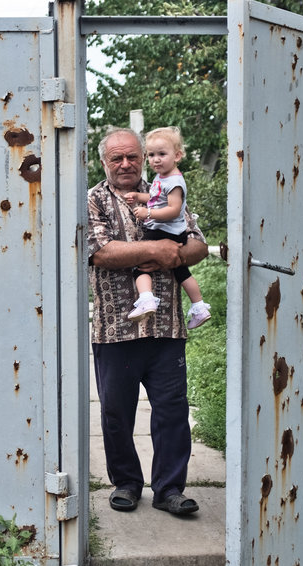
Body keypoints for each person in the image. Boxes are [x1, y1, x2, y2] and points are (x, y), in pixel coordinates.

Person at [87, 127, 208, 515]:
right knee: (116, 413)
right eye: (116, 158)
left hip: (166, 328)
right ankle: (126, 482)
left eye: (132, 157)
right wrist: (158, 248)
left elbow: (198, 244)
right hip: (115, 327)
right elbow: (102, 251)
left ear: (143, 157)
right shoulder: (93, 199)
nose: (125, 164)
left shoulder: (166, 188)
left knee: (172, 412)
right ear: (103, 162)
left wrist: (176, 253)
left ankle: (170, 489)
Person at [123, 127, 211, 329]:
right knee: (182, 272)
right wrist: (139, 197)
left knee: (139, 265)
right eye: (151, 155)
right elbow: (155, 199)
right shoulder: (163, 178)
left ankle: (146, 299)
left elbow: (173, 209)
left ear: (177, 155)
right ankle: (199, 307)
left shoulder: (174, 182)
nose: (156, 160)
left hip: (164, 232)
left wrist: (148, 213)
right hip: (171, 232)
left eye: (162, 154)